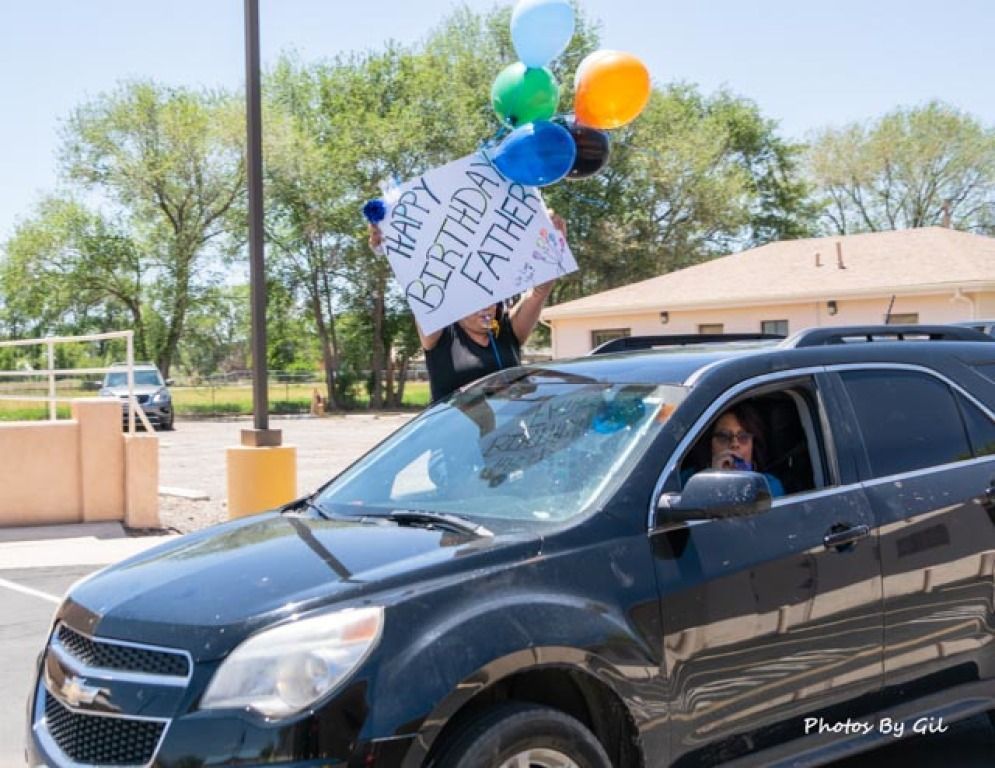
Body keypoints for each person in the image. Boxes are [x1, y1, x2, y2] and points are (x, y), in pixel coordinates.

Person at [368, 213, 565, 402]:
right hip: (455, 435)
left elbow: (539, 291)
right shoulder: (441, 334)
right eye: (476, 300)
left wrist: (551, 240)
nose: (487, 306)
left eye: (492, 298)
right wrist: (390, 241)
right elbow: (422, 288)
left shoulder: (507, 330)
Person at [685, 402, 785, 497]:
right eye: (723, 437)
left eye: (743, 437)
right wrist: (714, 479)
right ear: (710, 443)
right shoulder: (689, 480)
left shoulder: (767, 485)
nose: (734, 444)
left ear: (753, 445)